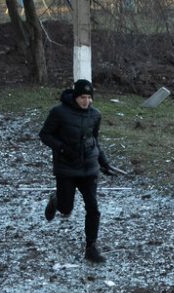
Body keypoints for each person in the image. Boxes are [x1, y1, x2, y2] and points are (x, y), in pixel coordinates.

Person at [38, 79, 116, 264]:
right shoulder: (59, 113)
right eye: (82, 97)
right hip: (66, 168)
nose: (86, 101)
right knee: (66, 208)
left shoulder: (95, 115)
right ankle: (56, 200)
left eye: (89, 97)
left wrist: (104, 163)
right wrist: (63, 148)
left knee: (93, 208)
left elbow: (94, 140)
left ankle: (91, 247)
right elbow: (44, 135)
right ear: (75, 96)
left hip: (89, 168)